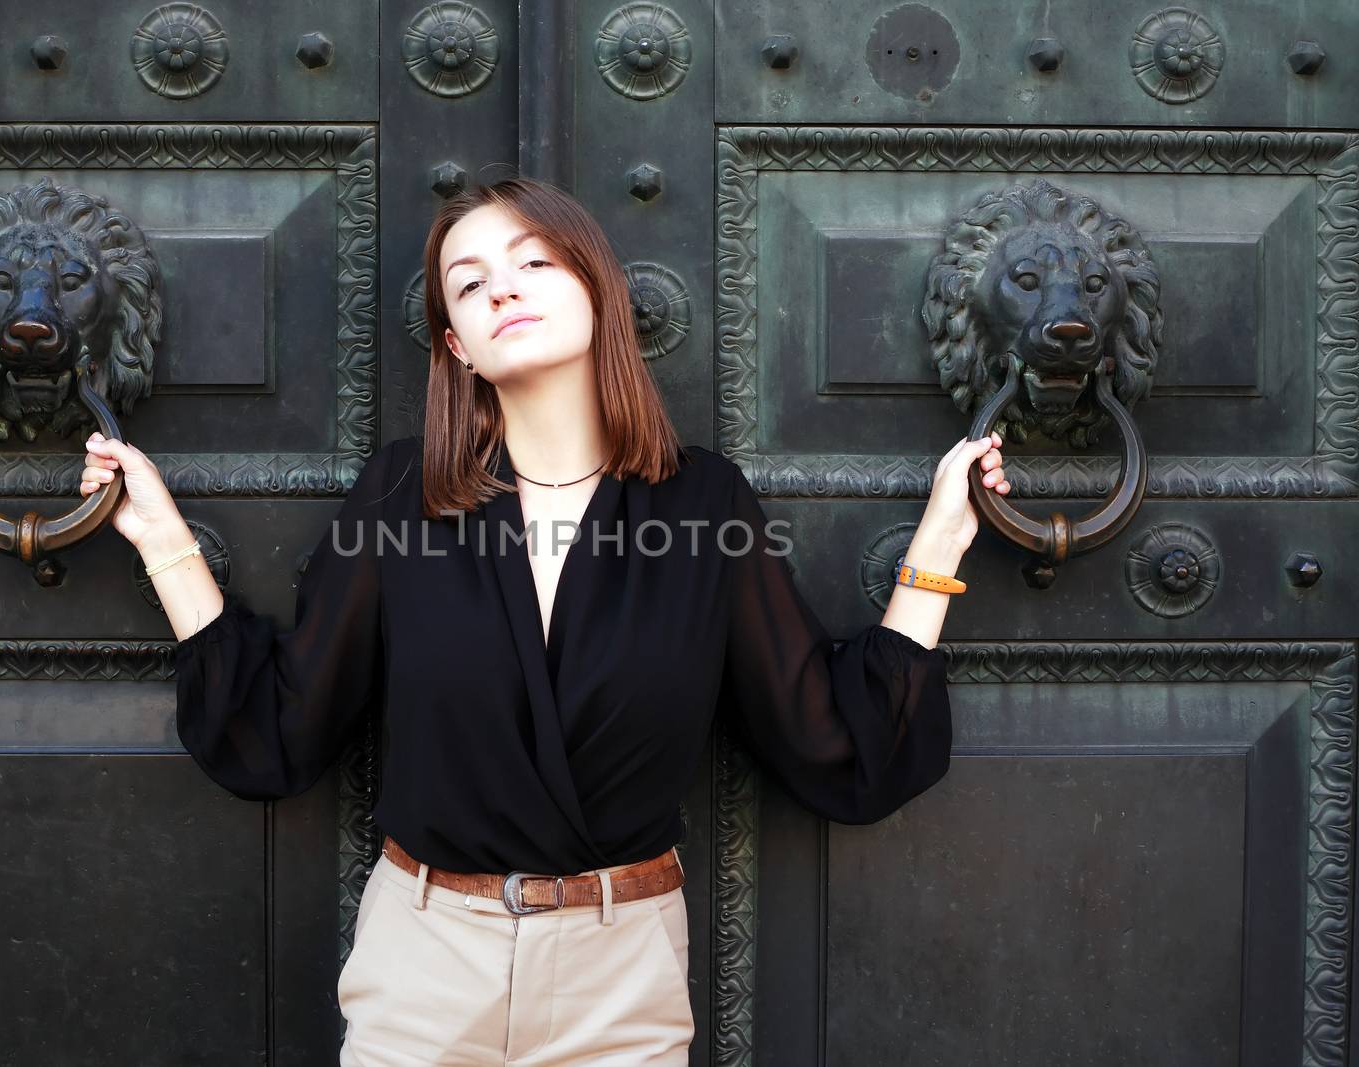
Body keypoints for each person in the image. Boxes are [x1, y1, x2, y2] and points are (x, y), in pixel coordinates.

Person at [80, 176, 1010, 1065]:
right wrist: (163, 537)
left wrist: (941, 539)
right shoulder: (401, 496)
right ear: (456, 346)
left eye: (533, 263)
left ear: (597, 289)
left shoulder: (703, 505)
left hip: (622, 978)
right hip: (426, 968)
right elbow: (280, 726)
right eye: (470, 282)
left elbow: (830, 737)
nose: (502, 291)